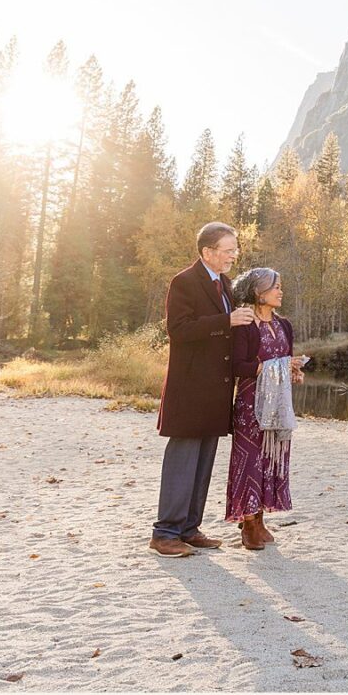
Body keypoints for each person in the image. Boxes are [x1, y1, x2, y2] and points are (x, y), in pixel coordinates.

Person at [151, 222, 253, 557]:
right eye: (228, 250)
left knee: (204, 461)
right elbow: (178, 331)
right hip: (190, 387)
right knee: (183, 460)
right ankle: (165, 533)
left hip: (216, 390)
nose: (233, 256)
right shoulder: (183, 282)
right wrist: (226, 322)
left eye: (234, 250)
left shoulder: (225, 284)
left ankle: (189, 529)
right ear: (207, 252)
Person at [226, 268, 305, 551]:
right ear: (259, 292)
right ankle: (247, 523)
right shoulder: (246, 326)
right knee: (250, 460)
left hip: (279, 403)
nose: (280, 291)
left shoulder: (284, 325)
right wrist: (276, 367)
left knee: (272, 458)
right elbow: (237, 367)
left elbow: (285, 358)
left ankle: (259, 518)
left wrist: (293, 370)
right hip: (250, 403)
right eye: (275, 287)